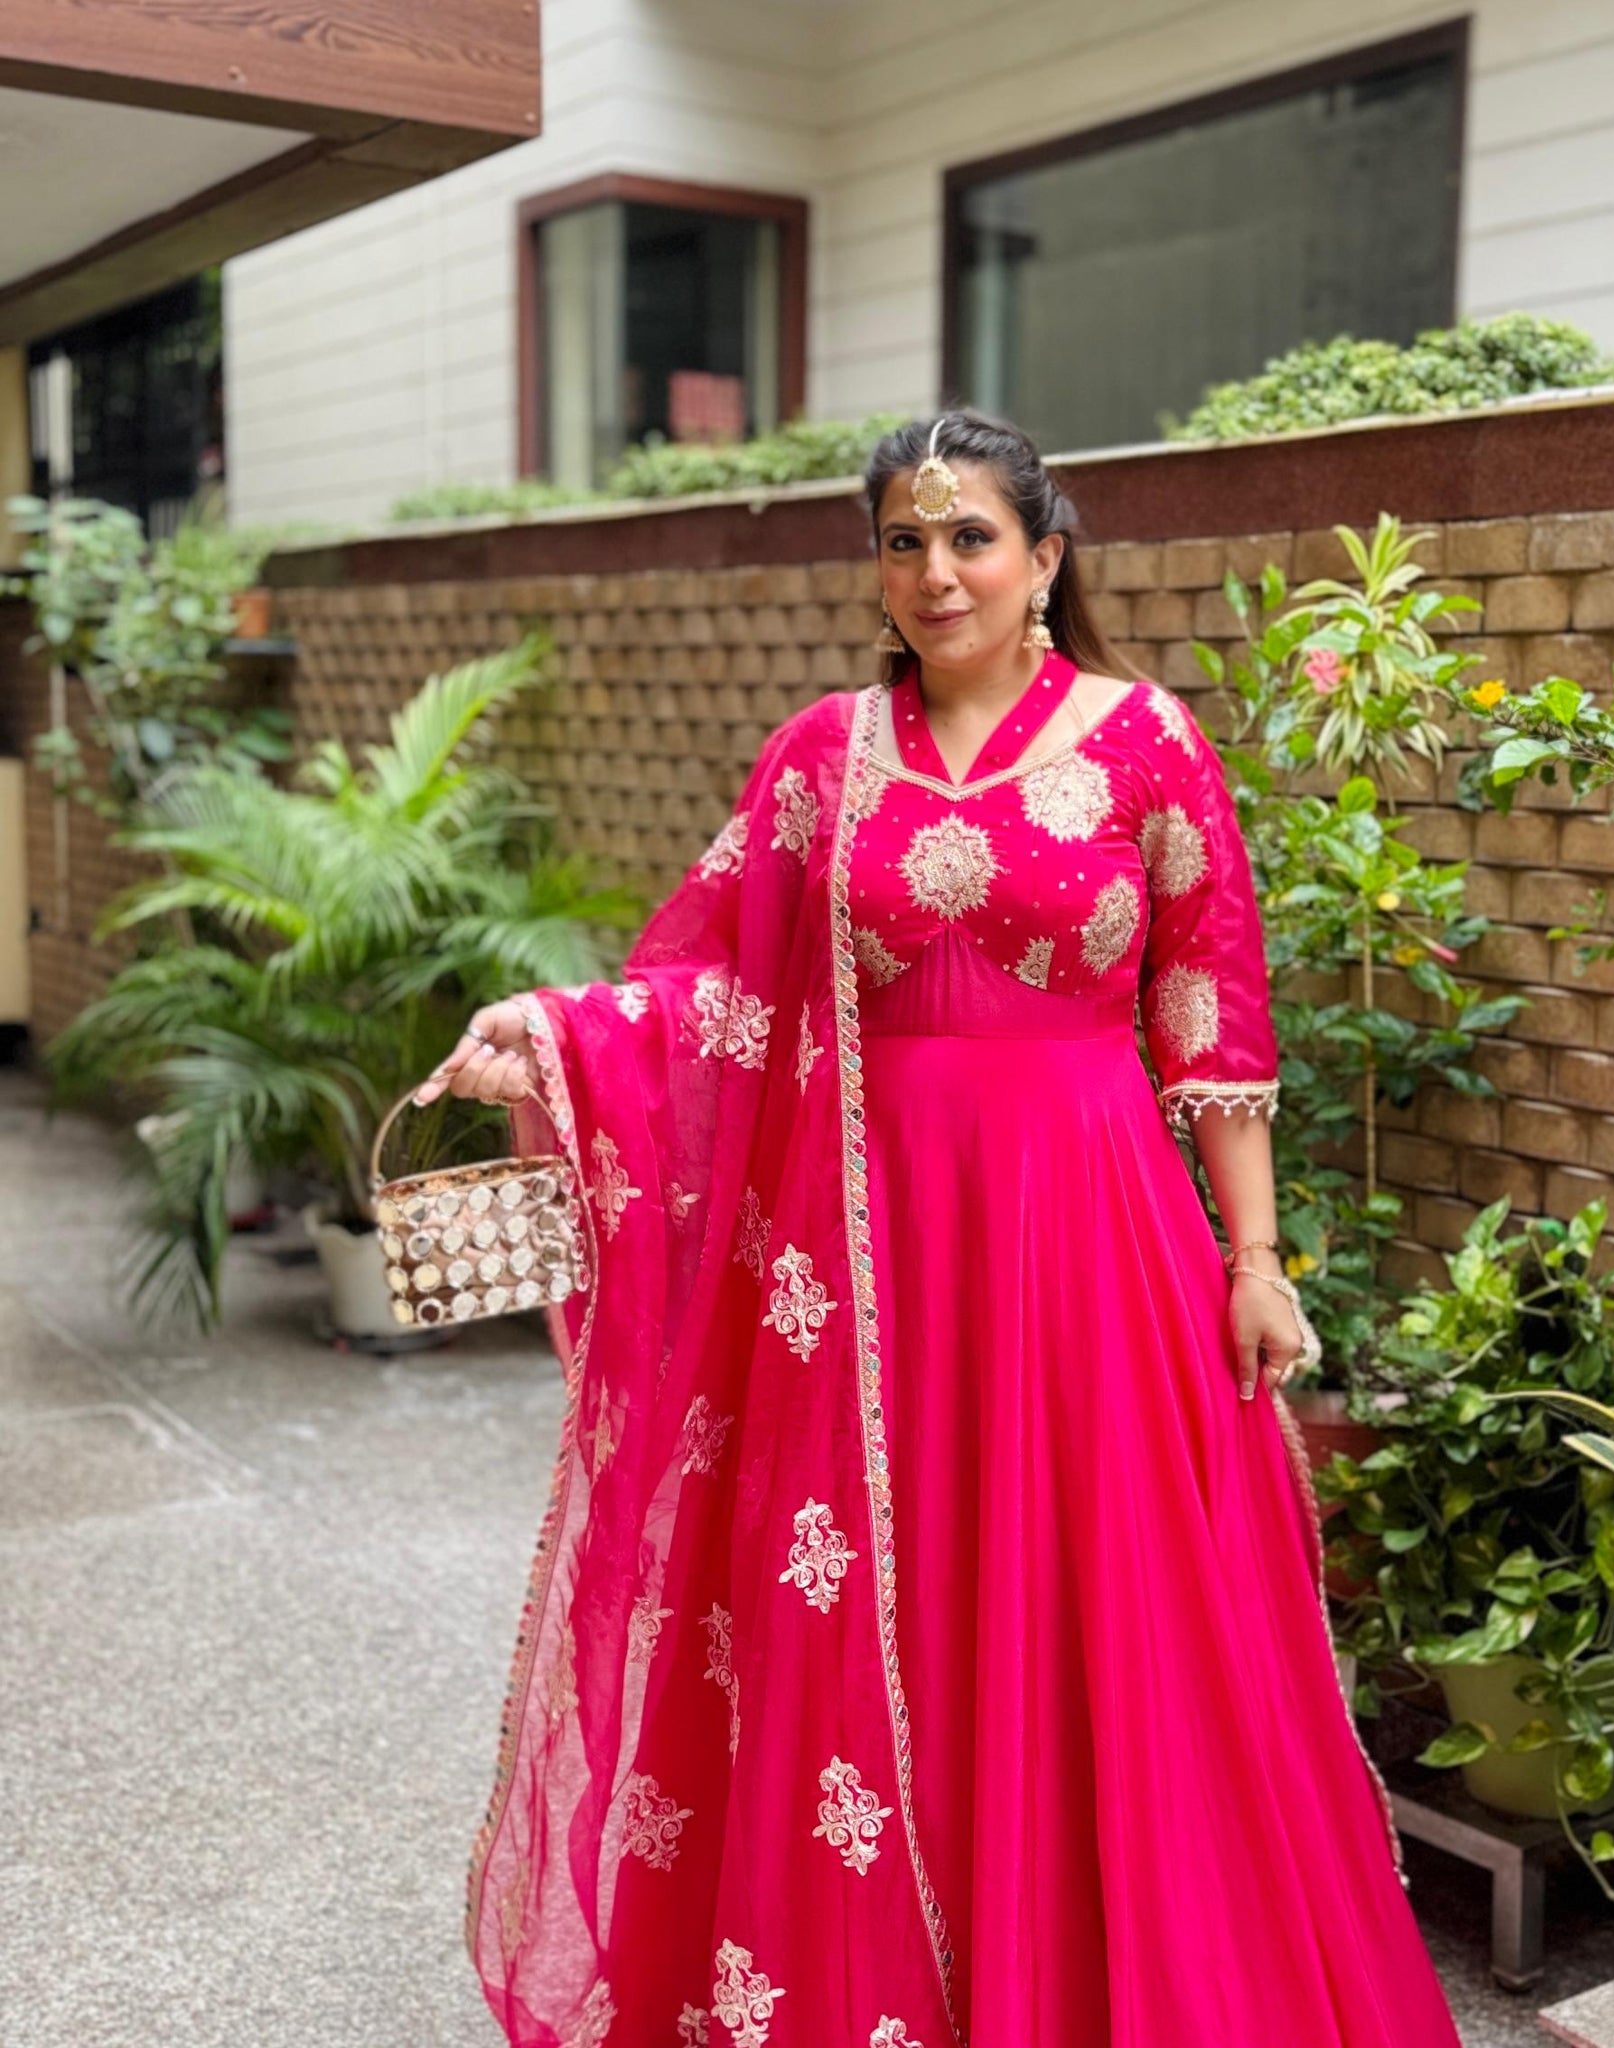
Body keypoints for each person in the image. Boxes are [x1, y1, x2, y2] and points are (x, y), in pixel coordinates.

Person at [428, 411, 1462, 2048]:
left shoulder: (1145, 745)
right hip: (862, 1253)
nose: (936, 572)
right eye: (904, 542)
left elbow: (1214, 1019)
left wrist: (1256, 1265)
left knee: (1104, 1619)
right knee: (873, 1607)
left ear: (1046, 557)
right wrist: (552, 1034)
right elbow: (716, 984)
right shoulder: (819, 759)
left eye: (971, 536)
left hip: (1095, 1233)